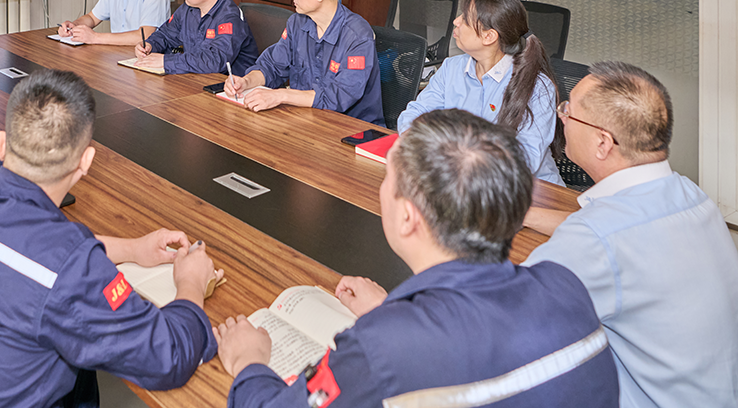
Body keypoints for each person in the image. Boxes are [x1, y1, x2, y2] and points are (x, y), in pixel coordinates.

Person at [216, 109, 618, 408]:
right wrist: (393, 311)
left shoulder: (379, 348)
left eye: (387, 179)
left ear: (408, 217)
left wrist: (249, 361)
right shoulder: (566, 286)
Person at [0, 69, 220, 407]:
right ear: (86, 162)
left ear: (1, 146)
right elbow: (168, 357)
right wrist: (191, 282)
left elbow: (39, 251)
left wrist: (133, 249)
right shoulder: (70, 267)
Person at [524, 62, 738, 408]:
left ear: (602, 142)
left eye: (568, 111)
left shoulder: (595, 238)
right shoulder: (691, 196)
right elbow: (615, 232)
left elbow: (505, 316)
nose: (561, 118)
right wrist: (527, 215)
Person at [397, 0, 562, 184]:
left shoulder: (537, 86)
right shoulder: (451, 68)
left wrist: (452, 156)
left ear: (489, 36)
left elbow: (525, 159)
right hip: (462, 181)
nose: (455, 21)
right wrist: (413, 138)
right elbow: (416, 113)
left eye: (465, 19)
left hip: (530, 189)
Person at [224, 0, 382, 124]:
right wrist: (246, 82)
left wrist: (281, 95)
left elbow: (340, 96)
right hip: (306, 121)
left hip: (351, 129)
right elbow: (272, 66)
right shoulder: (297, 23)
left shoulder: (357, 35)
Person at [133, 0, 258, 75]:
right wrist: (149, 45)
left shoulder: (230, 18)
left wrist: (166, 61)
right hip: (195, 79)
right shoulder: (189, 8)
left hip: (226, 85)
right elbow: (165, 35)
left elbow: (214, 61)